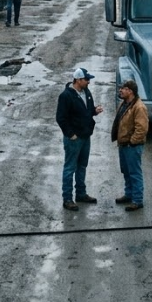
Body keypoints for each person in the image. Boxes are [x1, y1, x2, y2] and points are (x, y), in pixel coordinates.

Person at [55, 67, 103, 211]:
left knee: (82, 166)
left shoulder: (86, 92)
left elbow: (87, 111)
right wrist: (70, 134)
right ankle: (67, 198)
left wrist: (94, 111)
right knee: (70, 168)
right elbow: (61, 118)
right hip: (74, 139)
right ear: (78, 80)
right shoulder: (66, 96)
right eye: (86, 79)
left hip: (85, 136)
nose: (89, 82)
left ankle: (81, 194)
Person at [112, 80, 149, 211]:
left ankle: (137, 200)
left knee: (134, 173)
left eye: (124, 88)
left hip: (132, 146)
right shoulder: (125, 103)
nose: (120, 90)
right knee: (126, 171)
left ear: (131, 91)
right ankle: (129, 195)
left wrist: (132, 142)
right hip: (123, 145)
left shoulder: (139, 107)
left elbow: (142, 128)